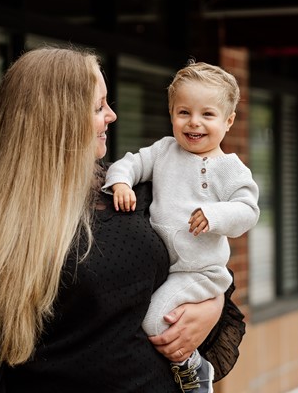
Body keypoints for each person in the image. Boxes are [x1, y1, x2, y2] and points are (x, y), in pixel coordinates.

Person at [0, 46, 246, 393]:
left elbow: (202, 265)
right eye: (99, 106)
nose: (112, 115)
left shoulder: (131, 193)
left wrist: (212, 307)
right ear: (58, 120)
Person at [103, 60, 260, 392]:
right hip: (166, 270)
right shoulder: (164, 151)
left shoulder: (231, 169)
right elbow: (130, 163)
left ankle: (195, 369)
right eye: (184, 112)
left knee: (154, 321)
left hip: (199, 272)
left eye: (207, 114)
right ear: (171, 113)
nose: (194, 123)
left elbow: (248, 211)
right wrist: (121, 184)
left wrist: (216, 215)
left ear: (228, 121)